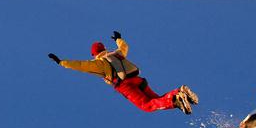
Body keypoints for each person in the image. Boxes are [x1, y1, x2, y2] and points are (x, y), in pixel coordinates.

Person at [47, 31, 199, 114]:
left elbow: (81, 65)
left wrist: (62, 62)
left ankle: (176, 100)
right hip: (138, 80)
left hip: (126, 86)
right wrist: (119, 39)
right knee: (156, 99)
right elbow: (124, 47)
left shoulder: (99, 63)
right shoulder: (115, 54)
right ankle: (178, 92)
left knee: (147, 106)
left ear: (94, 54)